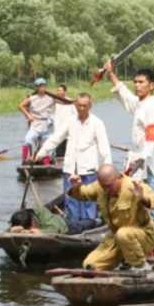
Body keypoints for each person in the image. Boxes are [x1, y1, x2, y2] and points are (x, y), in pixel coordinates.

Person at [104, 60, 154, 263]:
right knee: (139, 211)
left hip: (148, 165)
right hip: (139, 164)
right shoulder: (141, 103)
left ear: (152, 85)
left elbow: (152, 135)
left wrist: (143, 157)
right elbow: (127, 98)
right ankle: (149, 253)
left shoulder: (152, 107)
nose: (137, 85)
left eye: (141, 82)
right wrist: (112, 74)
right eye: (135, 82)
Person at [67, 164, 154, 271]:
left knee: (123, 234)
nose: (106, 190)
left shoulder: (133, 186)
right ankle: (125, 260)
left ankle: (140, 265)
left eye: (109, 186)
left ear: (118, 178)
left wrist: (143, 198)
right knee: (90, 265)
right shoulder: (101, 187)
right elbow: (84, 193)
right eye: (103, 187)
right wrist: (76, 188)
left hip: (142, 235)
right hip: (115, 238)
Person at [33, 93, 112, 222]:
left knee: (89, 199)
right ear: (75, 105)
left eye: (84, 106)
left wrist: (108, 167)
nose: (81, 108)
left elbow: (104, 147)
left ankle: (89, 223)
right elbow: (55, 138)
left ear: (90, 106)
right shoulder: (69, 121)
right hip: (71, 167)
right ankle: (72, 223)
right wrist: (41, 153)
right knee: (70, 198)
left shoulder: (97, 123)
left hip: (89, 169)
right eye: (79, 105)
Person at [18, 78, 55, 164]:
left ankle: (47, 165)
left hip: (47, 125)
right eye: (39, 86)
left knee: (47, 145)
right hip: (35, 124)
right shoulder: (32, 98)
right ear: (37, 87)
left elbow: (64, 101)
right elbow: (20, 105)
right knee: (28, 139)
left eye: (42, 86)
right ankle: (24, 161)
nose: (41, 88)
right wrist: (28, 115)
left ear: (45, 86)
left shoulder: (51, 98)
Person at [8, 206, 95, 236]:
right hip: (53, 219)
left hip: (63, 225)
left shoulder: (42, 212)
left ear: (33, 221)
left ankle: (96, 221)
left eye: (31, 228)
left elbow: (54, 229)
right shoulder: (19, 220)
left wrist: (40, 232)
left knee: (80, 225)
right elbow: (11, 230)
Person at [52, 84, 77, 159]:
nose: (59, 92)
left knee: (68, 147)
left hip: (68, 129)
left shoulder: (70, 102)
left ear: (65, 92)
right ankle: (58, 160)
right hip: (57, 128)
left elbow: (75, 114)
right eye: (58, 90)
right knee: (58, 147)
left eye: (60, 91)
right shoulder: (53, 102)